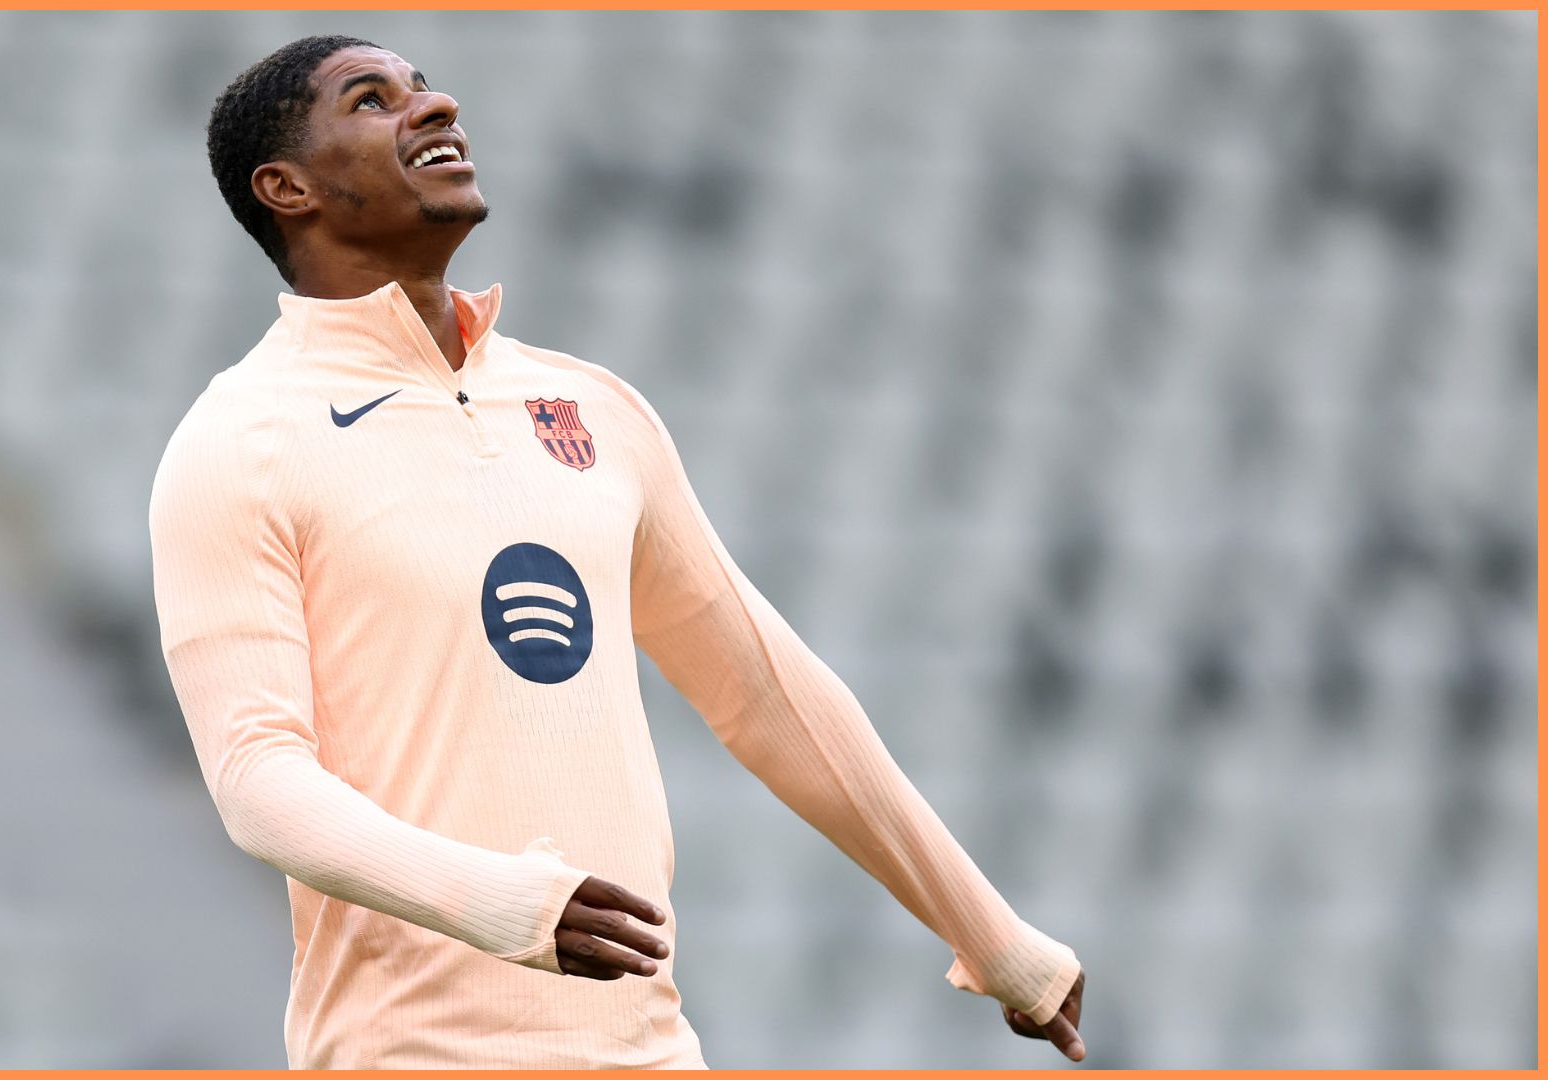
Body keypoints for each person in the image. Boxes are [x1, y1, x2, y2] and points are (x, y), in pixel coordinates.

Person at [150, 34, 1086, 1069]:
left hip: (648, 1050)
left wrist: (992, 935)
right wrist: (502, 901)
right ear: (287, 187)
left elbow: (772, 701)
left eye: (425, 87)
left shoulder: (591, 408)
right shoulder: (242, 441)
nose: (435, 106)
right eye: (373, 101)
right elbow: (259, 780)